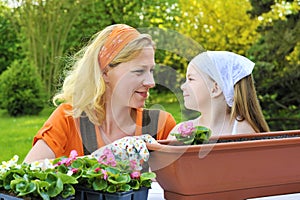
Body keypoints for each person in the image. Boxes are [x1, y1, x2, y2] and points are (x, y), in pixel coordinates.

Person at [24, 24, 176, 163]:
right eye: (139, 71)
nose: (151, 82)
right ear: (105, 73)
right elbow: (26, 174)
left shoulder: (161, 126)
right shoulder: (69, 120)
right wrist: (102, 158)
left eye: (151, 70)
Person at [170, 51, 269, 136]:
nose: (183, 86)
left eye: (191, 79)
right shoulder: (179, 132)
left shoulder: (243, 132)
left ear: (215, 88)